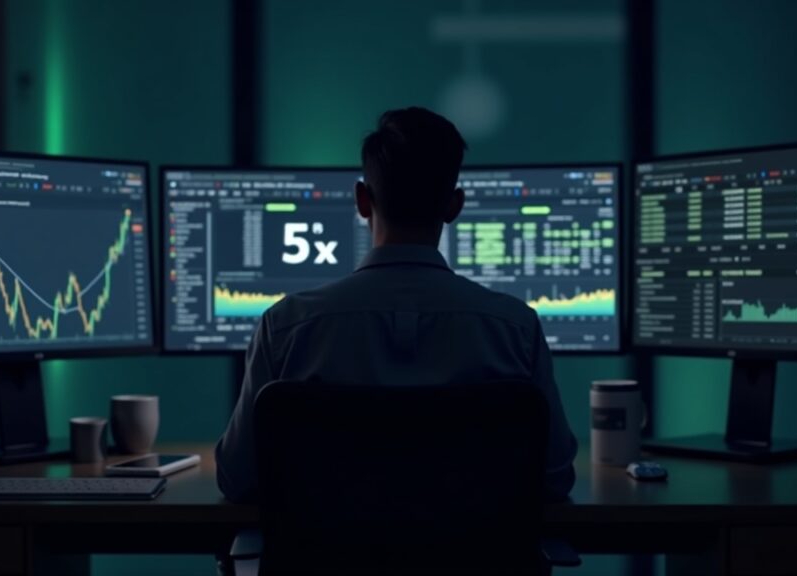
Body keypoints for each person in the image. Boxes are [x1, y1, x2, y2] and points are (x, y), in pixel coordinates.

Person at [215, 107, 577, 503]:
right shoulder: (516, 328)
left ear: (361, 200)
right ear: (455, 206)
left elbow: (237, 479)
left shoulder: (285, 326)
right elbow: (555, 477)